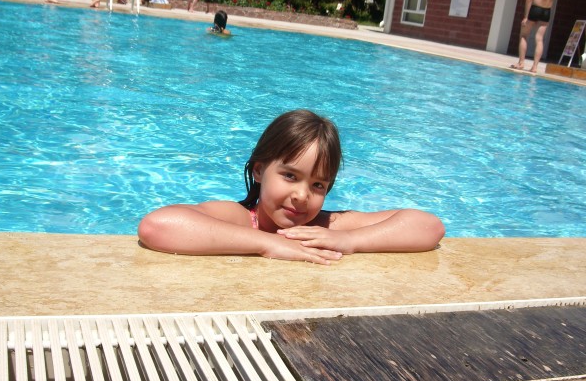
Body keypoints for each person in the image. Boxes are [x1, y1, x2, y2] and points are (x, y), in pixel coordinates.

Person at [138, 110, 445, 265]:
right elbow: (156, 226)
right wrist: (267, 243)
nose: (302, 196)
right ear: (259, 170)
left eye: (318, 184)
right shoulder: (241, 218)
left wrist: (349, 240)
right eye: (289, 176)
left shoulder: (325, 227)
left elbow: (429, 227)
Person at [511, 0, 558, 73]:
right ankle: (535, 67)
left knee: (523, 35)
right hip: (546, 11)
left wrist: (526, 16)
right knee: (539, 39)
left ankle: (521, 63)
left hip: (535, 9)